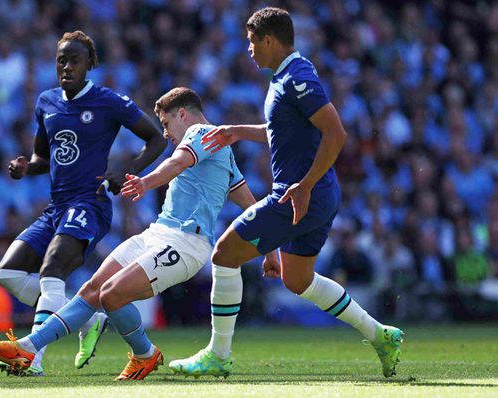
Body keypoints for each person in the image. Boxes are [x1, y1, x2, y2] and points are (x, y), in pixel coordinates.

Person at [168, 7, 404, 378]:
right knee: (298, 280)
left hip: (297, 194)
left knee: (225, 254)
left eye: (251, 42)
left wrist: (305, 186)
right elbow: (281, 128)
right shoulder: (284, 77)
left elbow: (336, 133)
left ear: (268, 40)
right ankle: (380, 334)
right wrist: (237, 131)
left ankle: (218, 354)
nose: (248, 50)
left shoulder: (296, 77)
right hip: (317, 195)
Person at [0, 86, 269, 380]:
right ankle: (27, 348)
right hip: (157, 234)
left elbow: (176, 163)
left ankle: (144, 354)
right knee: (91, 290)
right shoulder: (222, 148)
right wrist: (271, 251)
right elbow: (250, 205)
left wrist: (145, 181)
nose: (165, 134)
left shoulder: (200, 134)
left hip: (185, 244)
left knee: (111, 295)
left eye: (166, 124)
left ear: (182, 114)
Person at [0, 31, 166, 376]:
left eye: (74, 60)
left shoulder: (107, 101)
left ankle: (32, 358)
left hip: (90, 203)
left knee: (52, 269)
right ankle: (84, 317)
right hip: (57, 207)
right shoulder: (47, 102)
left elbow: (155, 139)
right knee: (6, 273)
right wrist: (27, 166)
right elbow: (44, 156)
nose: (67, 66)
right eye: (61, 60)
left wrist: (126, 171)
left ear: (90, 64)